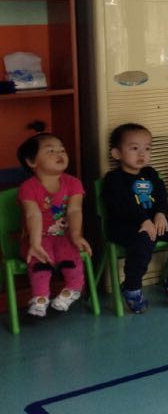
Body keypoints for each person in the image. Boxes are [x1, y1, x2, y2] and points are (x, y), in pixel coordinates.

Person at [100, 123, 168, 313]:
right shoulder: (114, 179)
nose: (142, 154)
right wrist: (143, 220)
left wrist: (161, 213)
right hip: (125, 227)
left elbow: (161, 196)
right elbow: (122, 205)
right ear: (117, 154)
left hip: (153, 221)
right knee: (143, 241)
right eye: (134, 148)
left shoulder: (150, 173)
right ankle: (132, 287)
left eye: (147, 148)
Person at [16, 126, 92, 318]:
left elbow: (74, 210)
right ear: (31, 161)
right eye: (50, 151)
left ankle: (72, 290)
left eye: (62, 150)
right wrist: (34, 244)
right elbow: (33, 215)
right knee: (40, 258)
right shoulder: (27, 187)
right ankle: (40, 297)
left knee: (71, 254)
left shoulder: (73, 183)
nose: (60, 154)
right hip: (37, 237)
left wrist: (76, 235)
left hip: (63, 236)